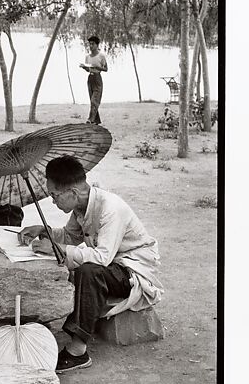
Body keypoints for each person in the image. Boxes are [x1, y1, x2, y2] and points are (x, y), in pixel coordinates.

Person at [18, 156, 163, 373]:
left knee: (88, 270)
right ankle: (82, 324)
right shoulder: (82, 207)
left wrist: (59, 249)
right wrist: (44, 230)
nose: (53, 201)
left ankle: (78, 351)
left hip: (133, 271)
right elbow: (69, 236)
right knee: (80, 264)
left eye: (55, 195)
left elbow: (102, 258)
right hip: (114, 266)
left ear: (73, 193)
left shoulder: (110, 208)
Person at [79, 35, 108, 125]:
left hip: (97, 78)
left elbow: (106, 69)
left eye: (92, 44)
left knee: (94, 100)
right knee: (92, 100)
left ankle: (90, 120)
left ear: (97, 45)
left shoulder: (101, 56)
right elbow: (89, 69)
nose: (90, 46)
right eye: (89, 44)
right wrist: (84, 68)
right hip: (90, 78)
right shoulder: (88, 57)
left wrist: (97, 67)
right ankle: (96, 121)